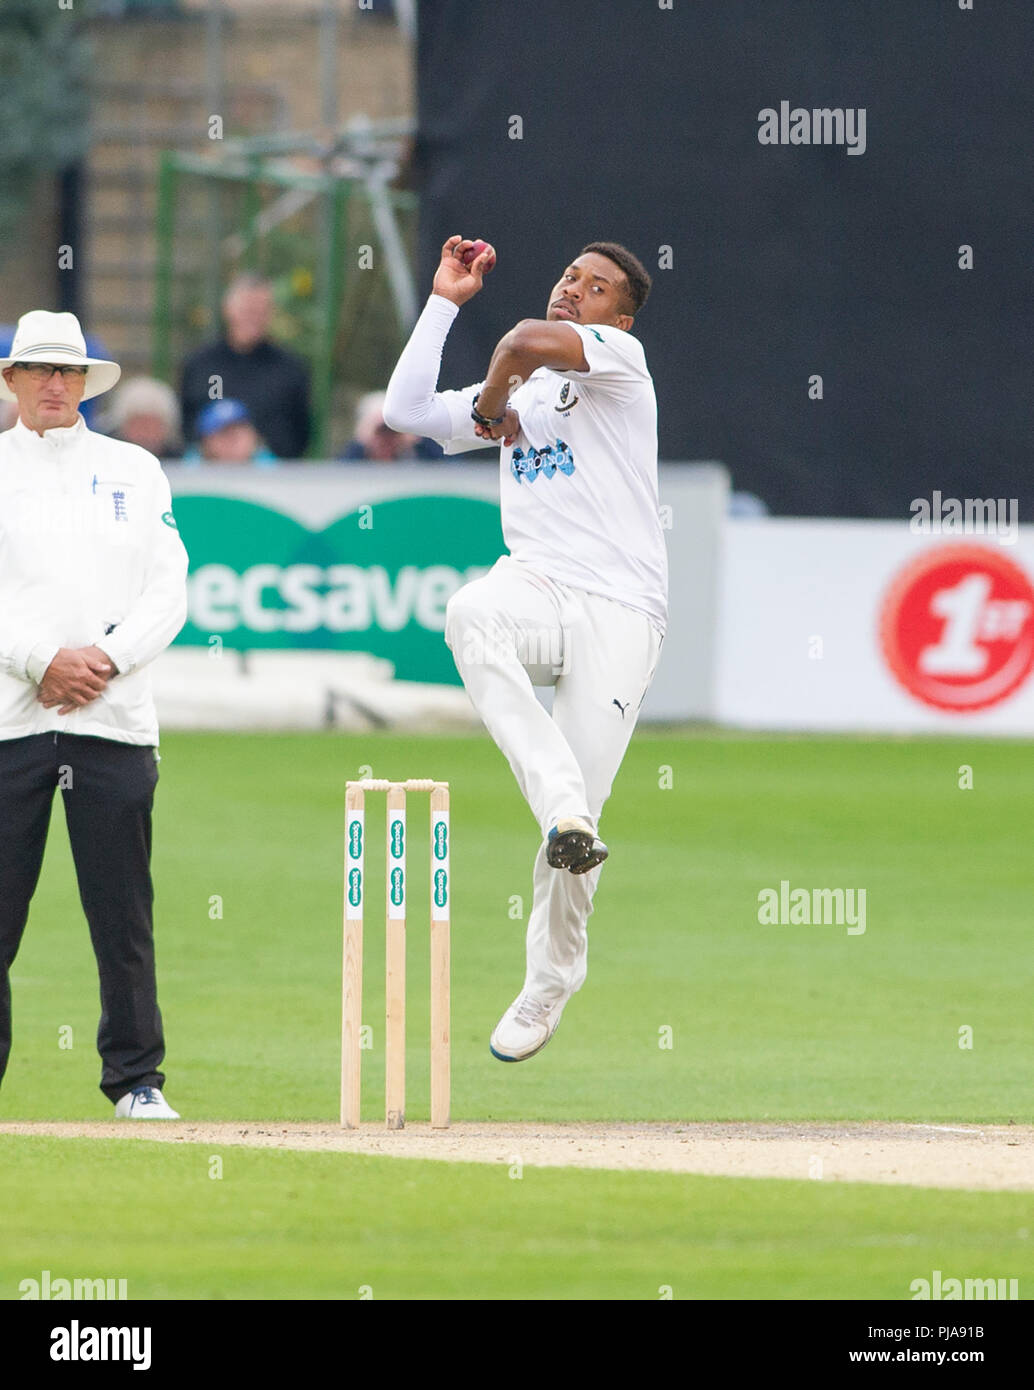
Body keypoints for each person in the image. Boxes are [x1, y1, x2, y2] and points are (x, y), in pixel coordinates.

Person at [384, 236, 665, 1063]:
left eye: (596, 286)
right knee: (473, 612)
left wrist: (490, 400)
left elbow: (519, 346)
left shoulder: (620, 362)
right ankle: (558, 808)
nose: (573, 290)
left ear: (620, 313)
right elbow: (403, 413)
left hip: (620, 610)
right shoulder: (524, 394)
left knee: (576, 845)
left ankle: (550, 984)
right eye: (568, 275)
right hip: (537, 588)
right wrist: (444, 302)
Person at [0, 310, 188, 1120]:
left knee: (122, 914)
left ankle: (137, 1081)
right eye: (38, 370)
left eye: (67, 372)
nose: (53, 385)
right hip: (10, 720)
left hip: (112, 720)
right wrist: (42, 660)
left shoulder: (134, 470)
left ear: (85, 382)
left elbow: (169, 590)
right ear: (10, 380)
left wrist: (101, 661)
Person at [180, 272, 311, 458]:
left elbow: (300, 434)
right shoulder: (199, 364)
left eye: (262, 310)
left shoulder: (291, 370)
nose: (254, 317)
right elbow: (187, 424)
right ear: (228, 309)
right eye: (248, 309)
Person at [100, 375, 183, 458]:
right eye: (139, 425)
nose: (146, 436)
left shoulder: (183, 463)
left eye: (153, 426)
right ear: (122, 426)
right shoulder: (102, 459)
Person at [180, 398, 278, 465]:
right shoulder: (186, 471)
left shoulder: (277, 473)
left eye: (238, 432)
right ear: (205, 442)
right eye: (222, 433)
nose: (232, 441)